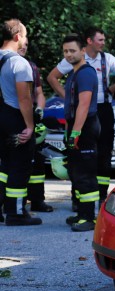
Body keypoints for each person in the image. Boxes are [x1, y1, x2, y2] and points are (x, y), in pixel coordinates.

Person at [47, 27, 115, 206]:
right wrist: (68, 97)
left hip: (103, 110)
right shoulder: (74, 58)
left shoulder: (107, 59)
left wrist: (112, 89)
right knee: (78, 154)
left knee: (104, 153)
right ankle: (79, 196)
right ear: (89, 42)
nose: (103, 42)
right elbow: (52, 77)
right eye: (100, 39)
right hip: (83, 110)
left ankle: (100, 196)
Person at [0, 18, 41, 226]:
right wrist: (30, 126)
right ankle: (15, 213)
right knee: (19, 165)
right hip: (14, 117)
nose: (25, 40)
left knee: (3, 165)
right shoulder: (19, 63)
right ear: (17, 37)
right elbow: (24, 98)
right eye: (24, 36)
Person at [60, 33, 100, 232]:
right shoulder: (74, 73)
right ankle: (82, 214)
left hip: (85, 129)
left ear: (83, 51)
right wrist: (69, 133)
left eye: (72, 50)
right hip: (76, 128)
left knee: (85, 174)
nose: (68, 54)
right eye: (66, 51)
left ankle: (89, 217)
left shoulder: (85, 73)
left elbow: (83, 105)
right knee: (76, 173)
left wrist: (75, 134)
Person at [19, 40, 53, 213]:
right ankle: (17, 202)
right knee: (15, 162)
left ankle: (37, 200)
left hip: (32, 118)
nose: (24, 47)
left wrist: (39, 109)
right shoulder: (6, 65)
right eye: (21, 44)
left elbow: (39, 94)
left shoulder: (32, 67)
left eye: (26, 44)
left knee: (37, 162)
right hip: (14, 117)